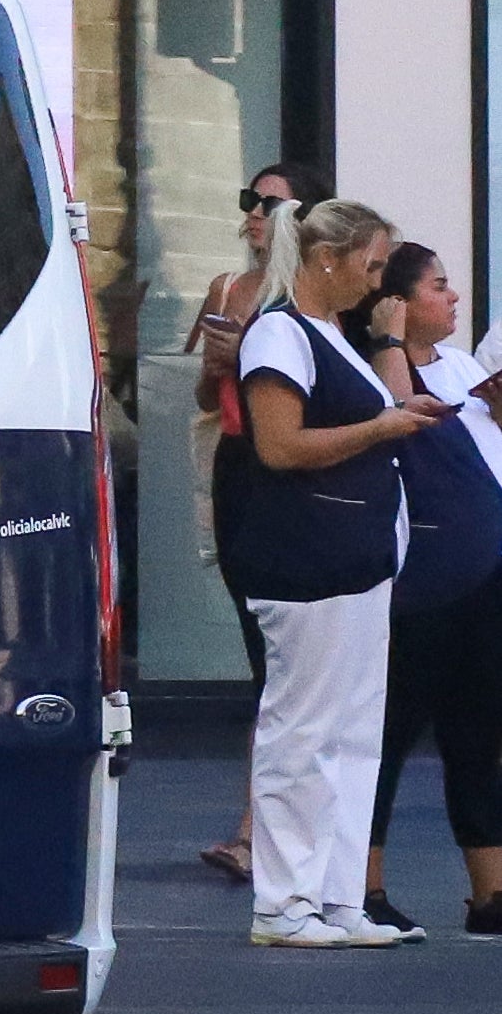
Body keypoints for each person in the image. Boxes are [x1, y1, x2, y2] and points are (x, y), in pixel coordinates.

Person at [223, 195, 440, 948]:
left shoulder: (329, 334)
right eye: (371, 264)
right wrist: (382, 425)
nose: (376, 280)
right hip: (309, 563)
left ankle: (337, 899)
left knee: (352, 736)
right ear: (326, 257)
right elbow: (278, 446)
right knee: (302, 732)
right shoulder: (279, 333)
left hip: (356, 558)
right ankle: (283, 904)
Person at [362, 242, 502, 938]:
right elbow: (395, 413)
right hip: (418, 584)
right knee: (386, 733)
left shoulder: (463, 368)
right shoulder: (382, 367)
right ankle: (365, 882)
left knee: (477, 733)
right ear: (398, 301)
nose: (452, 299)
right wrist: (388, 336)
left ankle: (490, 892)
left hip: (482, 579)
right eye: (438, 287)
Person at [187, 163, 315, 881]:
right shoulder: (228, 289)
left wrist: (253, 357)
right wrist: (218, 364)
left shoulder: (309, 295)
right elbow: (207, 391)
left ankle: (254, 825)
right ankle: (262, 822)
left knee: (282, 659)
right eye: (250, 201)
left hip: (287, 469)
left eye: (270, 203)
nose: (254, 214)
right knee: (260, 648)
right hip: (238, 464)